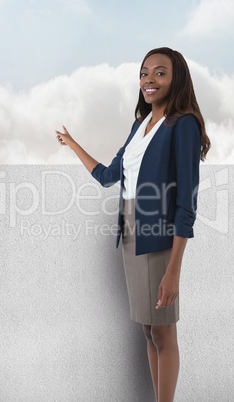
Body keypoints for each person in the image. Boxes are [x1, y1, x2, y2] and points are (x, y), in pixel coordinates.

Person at [55, 47, 211, 402]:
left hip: (159, 236)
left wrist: (174, 270)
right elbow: (109, 176)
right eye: (144, 73)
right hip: (130, 233)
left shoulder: (183, 124)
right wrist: (73, 143)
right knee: (148, 330)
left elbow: (187, 202)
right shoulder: (139, 125)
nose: (149, 80)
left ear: (177, 79)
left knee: (164, 332)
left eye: (160, 72)